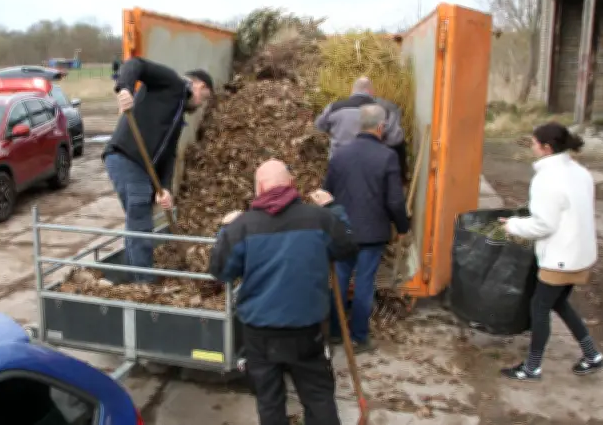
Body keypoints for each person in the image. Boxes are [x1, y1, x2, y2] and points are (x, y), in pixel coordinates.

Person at [209, 159, 358, 425]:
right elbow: (348, 245)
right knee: (318, 397)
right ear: (291, 184)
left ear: (259, 189)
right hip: (306, 330)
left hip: (260, 333)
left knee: (269, 401)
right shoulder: (320, 219)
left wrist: (226, 230)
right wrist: (333, 208)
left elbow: (220, 270)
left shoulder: (242, 227)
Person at [500, 122, 603, 381]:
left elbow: (544, 224)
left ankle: (532, 367)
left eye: (534, 143)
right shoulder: (579, 171)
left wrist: (513, 226)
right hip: (580, 252)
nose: (532, 146)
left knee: (539, 307)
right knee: (557, 302)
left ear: (546, 148)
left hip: (560, 256)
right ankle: (592, 355)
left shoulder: (547, 178)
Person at [103, 58, 214, 284]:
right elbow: (136, 64)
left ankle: (135, 277)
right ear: (199, 85)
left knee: (138, 219)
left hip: (140, 167)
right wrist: (125, 88)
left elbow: (169, 155)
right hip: (125, 156)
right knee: (140, 214)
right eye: (204, 98)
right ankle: (144, 283)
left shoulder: (177, 114)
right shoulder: (171, 81)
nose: (201, 104)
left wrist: (164, 188)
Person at [324, 104, 410, 353]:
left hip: (342, 231)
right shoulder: (387, 156)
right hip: (372, 234)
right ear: (381, 127)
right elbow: (395, 201)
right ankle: (359, 337)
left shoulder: (340, 155)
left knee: (339, 281)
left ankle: (336, 332)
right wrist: (402, 226)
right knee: (364, 283)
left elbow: (326, 193)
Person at [314, 76, 376, 157]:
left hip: (338, 159)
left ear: (353, 90)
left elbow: (319, 125)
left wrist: (334, 129)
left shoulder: (334, 107)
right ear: (370, 92)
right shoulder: (380, 110)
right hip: (367, 160)